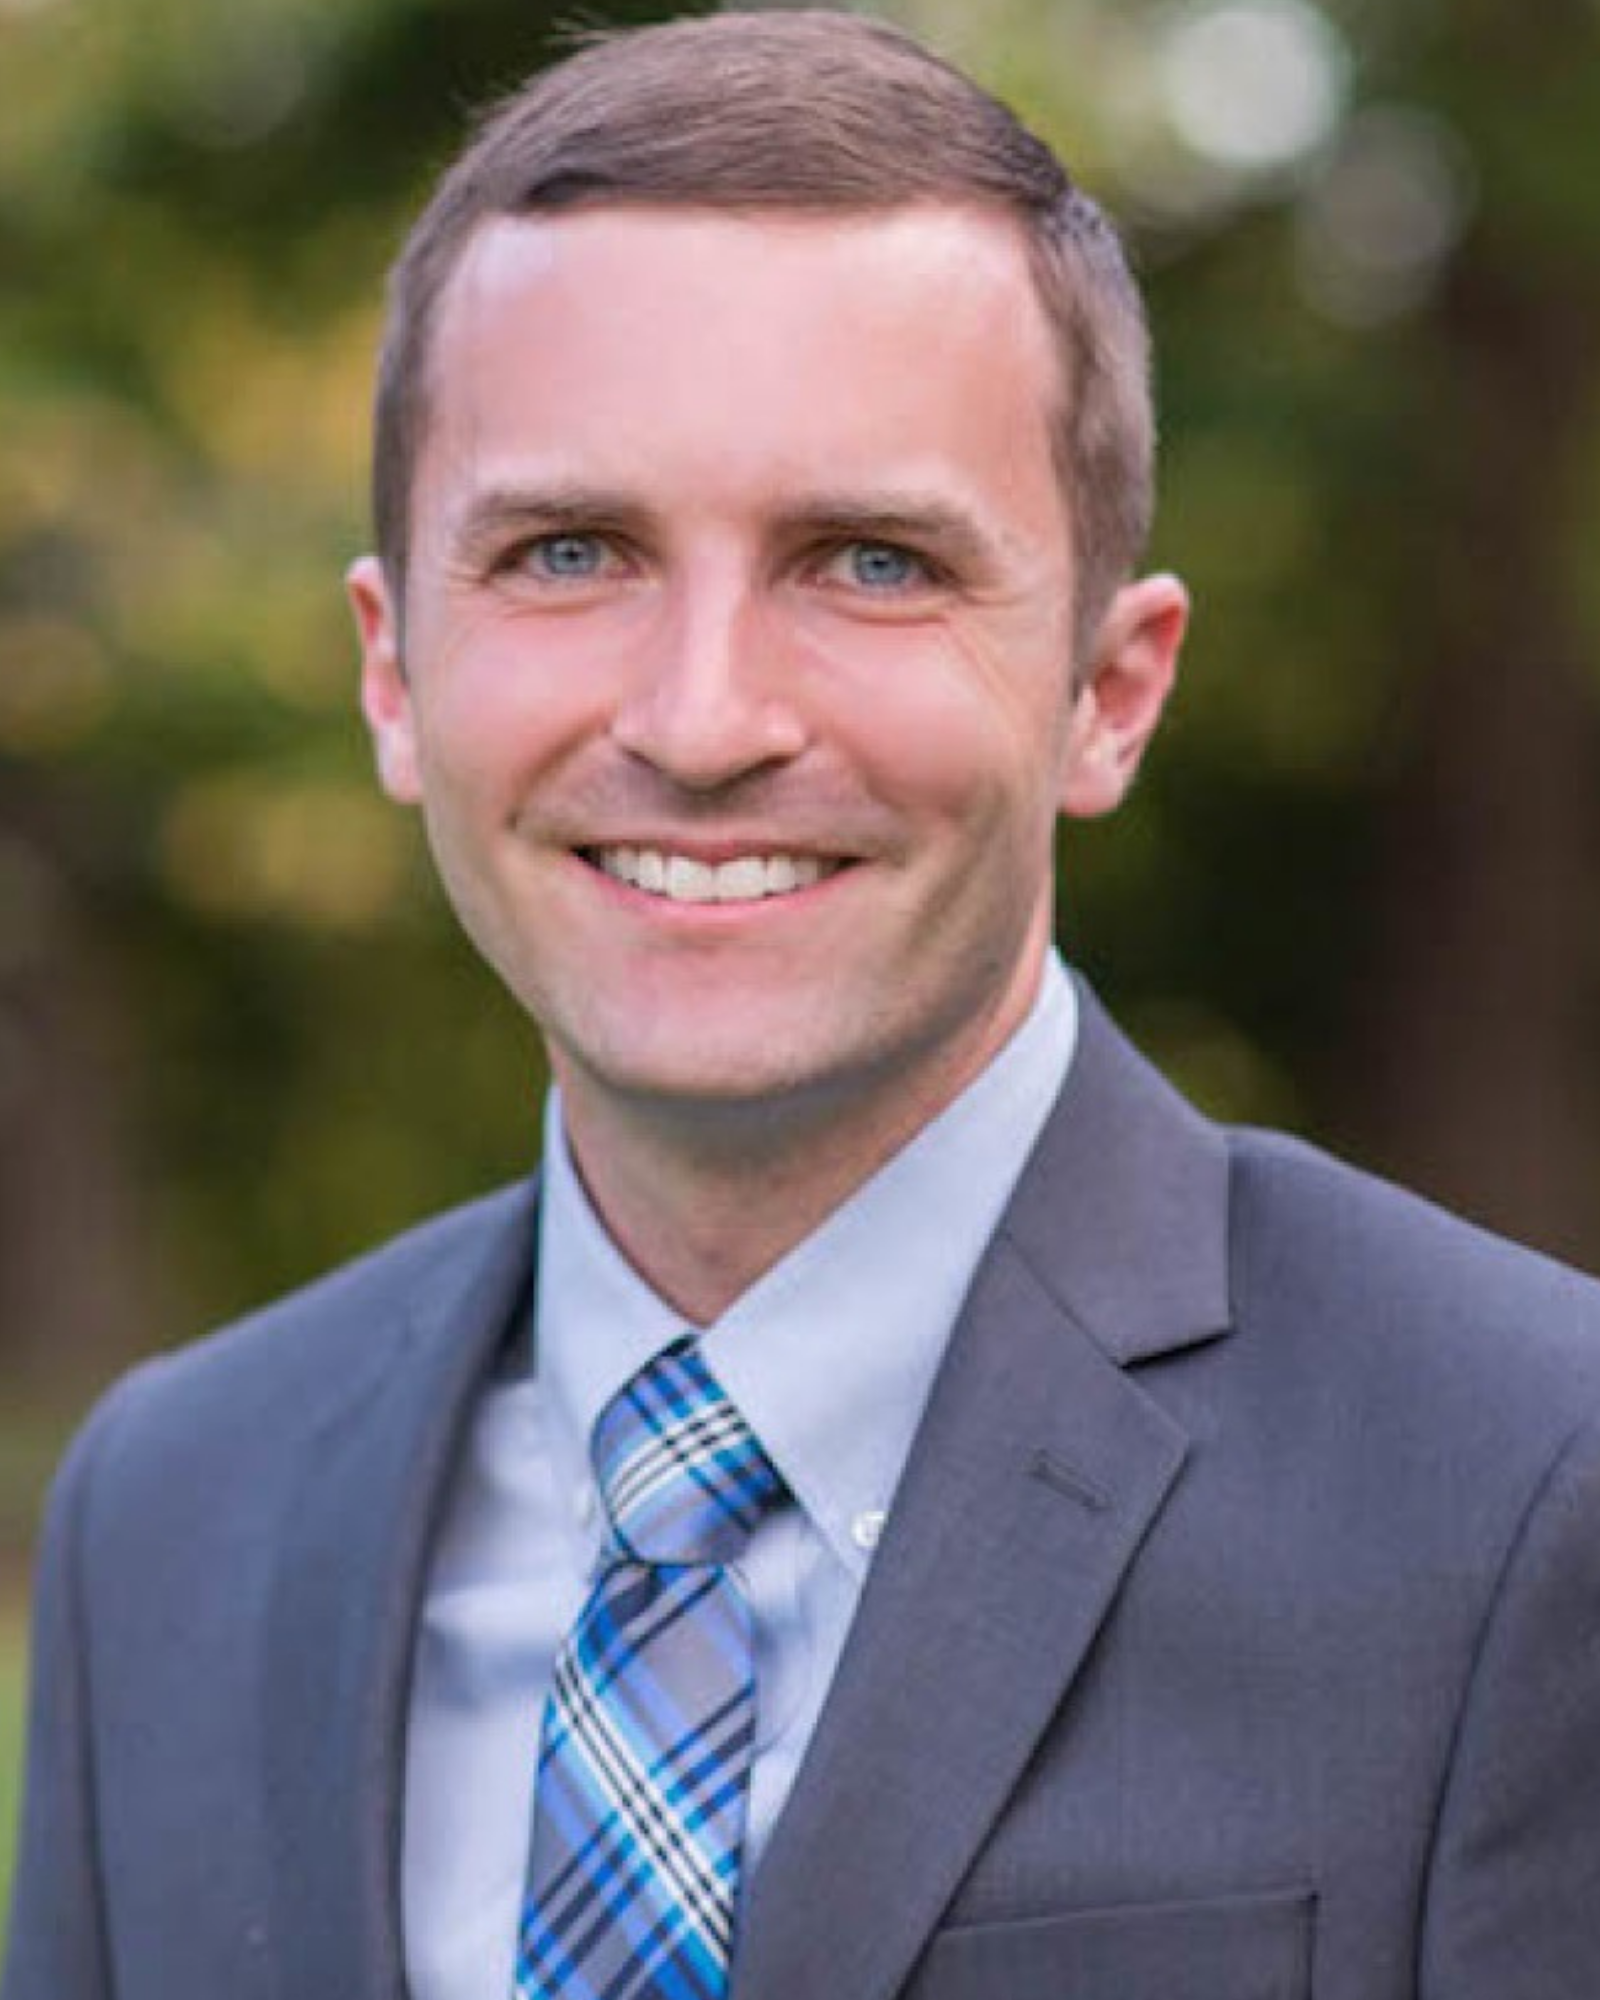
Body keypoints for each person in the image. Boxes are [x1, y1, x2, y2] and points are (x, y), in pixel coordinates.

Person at [7, 11, 1600, 1998]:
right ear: (392, 671)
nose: (701, 722)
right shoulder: (171, 1515)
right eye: (568, 551)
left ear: (1108, 691)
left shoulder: (1531, 1492)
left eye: (867, 561)